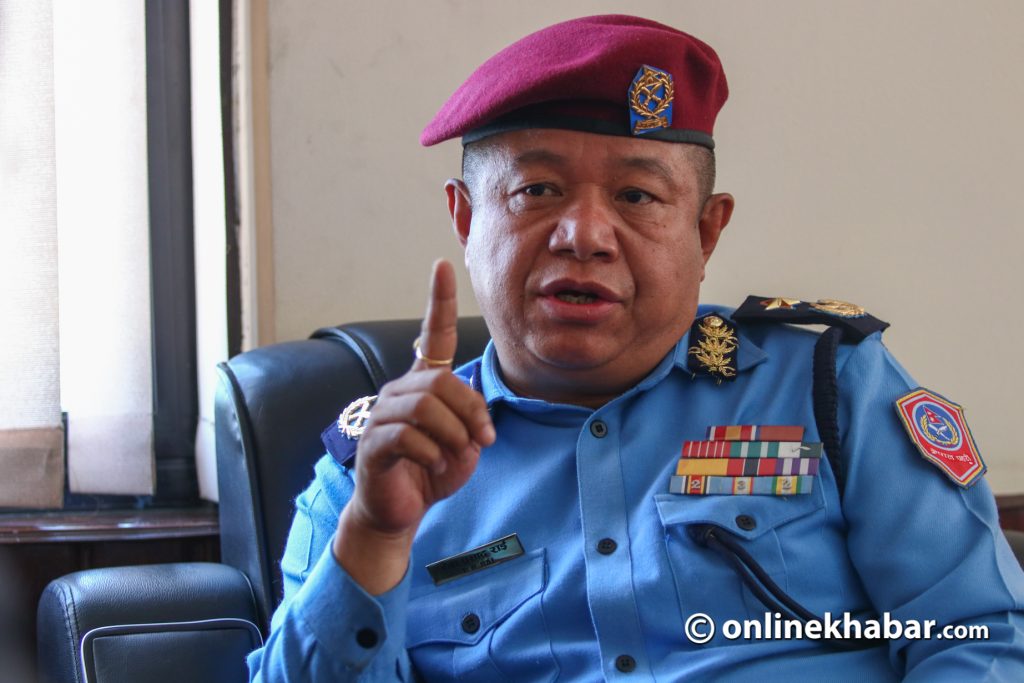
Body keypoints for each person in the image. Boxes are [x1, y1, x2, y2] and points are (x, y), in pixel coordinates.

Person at [248, 14, 1024, 681]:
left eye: (637, 196)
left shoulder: (826, 390)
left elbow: (976, 637)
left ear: (707, 229)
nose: (584, 234)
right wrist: (375, 539)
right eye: (537, 190)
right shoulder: (372, 470)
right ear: (464, 216)